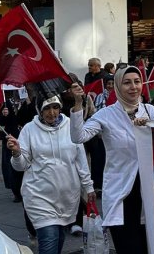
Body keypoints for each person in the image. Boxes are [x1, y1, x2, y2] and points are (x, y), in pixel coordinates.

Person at [70, 66, 154, 254]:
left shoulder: (150, 112)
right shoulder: (106, 115)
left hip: (148, 193)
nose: (133, 87)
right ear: (117, 86)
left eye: (137, 81)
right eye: (127, 82)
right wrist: (78, 104)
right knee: (128, 247)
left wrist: (148, 128)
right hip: (121, 193)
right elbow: (78, 137)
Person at [7, 95, 96, 254]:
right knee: (49, 239)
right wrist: (16, 153)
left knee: (59, 238)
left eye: (55, 107)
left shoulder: (71, 125)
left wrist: (89, 187)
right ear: (39, 111)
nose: (52, 112)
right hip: (39, 196)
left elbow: (81, 160)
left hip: (67, 197)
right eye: (46, 108)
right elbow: (21, 166)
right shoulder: (29, 129)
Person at [0, 103, 23, 202]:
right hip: (10, 139)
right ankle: (16, 192)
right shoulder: (8, 102)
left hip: (26, 137)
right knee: (11, 166)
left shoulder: (30, 100)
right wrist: (4, 114)